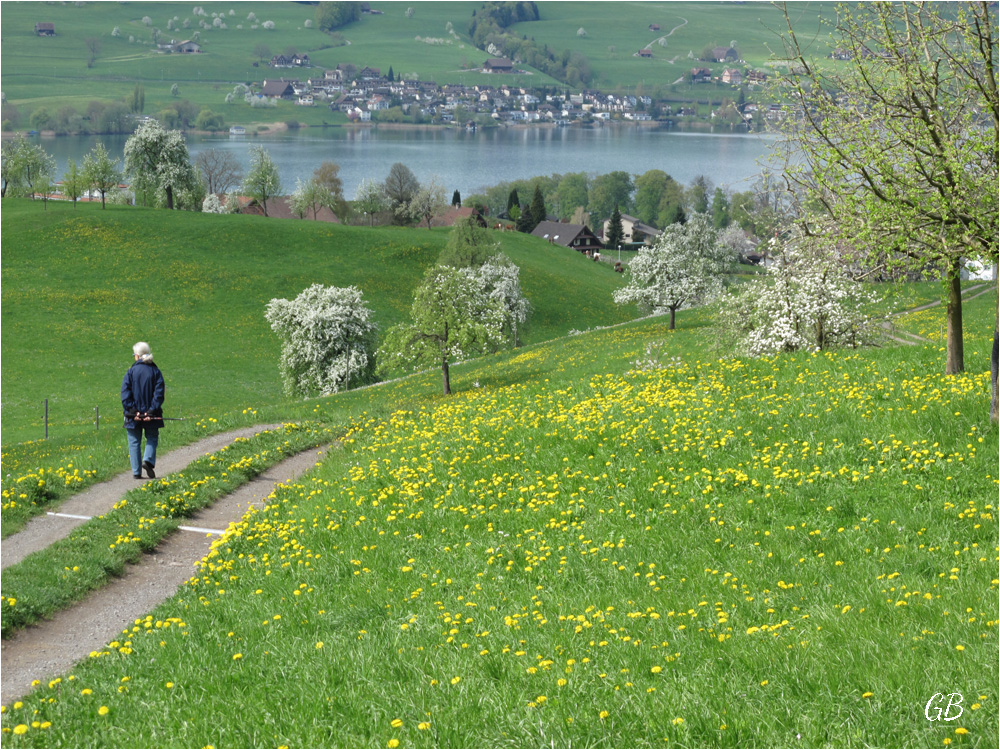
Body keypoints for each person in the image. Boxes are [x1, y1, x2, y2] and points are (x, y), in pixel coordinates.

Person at [121, 341, 165, 479]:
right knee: (152, 437)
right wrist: (151, 411)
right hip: (151, 414)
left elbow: (125, 393)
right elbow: (159, 394)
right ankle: (148, 460)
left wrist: (134, 411)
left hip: (133, 415)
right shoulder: (156, 372)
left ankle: (136, 472)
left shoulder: (131, 372)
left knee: (134, 441)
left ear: (137, 356)